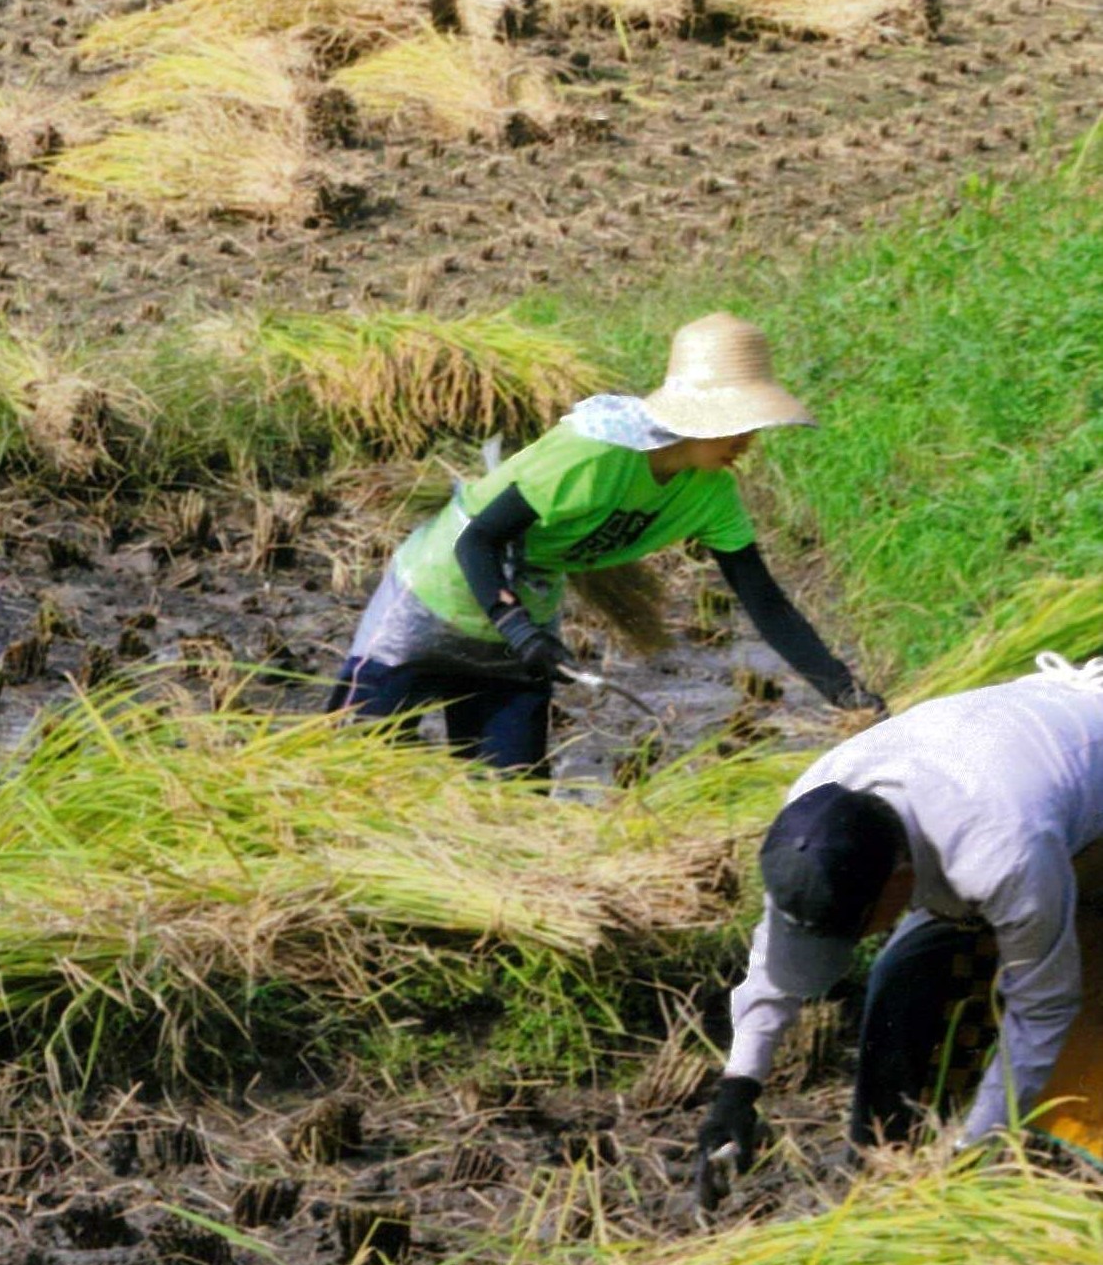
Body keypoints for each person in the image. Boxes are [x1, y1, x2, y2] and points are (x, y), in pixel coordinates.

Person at [340, 316, 870, 775]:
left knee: (513, 803)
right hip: (433, 604)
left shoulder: (714, 497)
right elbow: (476, 541)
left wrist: (846, 694)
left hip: (523, 626)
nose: (747, 442)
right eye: (739, 425)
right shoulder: (594, 454)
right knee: (349, 767)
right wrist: (516, 626)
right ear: (700, 415)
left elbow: (766, 603)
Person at [699, 659, 1103, 1186]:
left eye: (856, 927)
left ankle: (1063, 1158)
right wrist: (739, 1087)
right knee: (902, 980)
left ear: (898, 881)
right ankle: (877, 1170)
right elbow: (776, 954)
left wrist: (972, 1148)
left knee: (1086, 1000)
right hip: (1013, 764)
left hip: (1080, 786)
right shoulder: (817, 818)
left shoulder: (1002, 850)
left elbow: (1044, 1004)